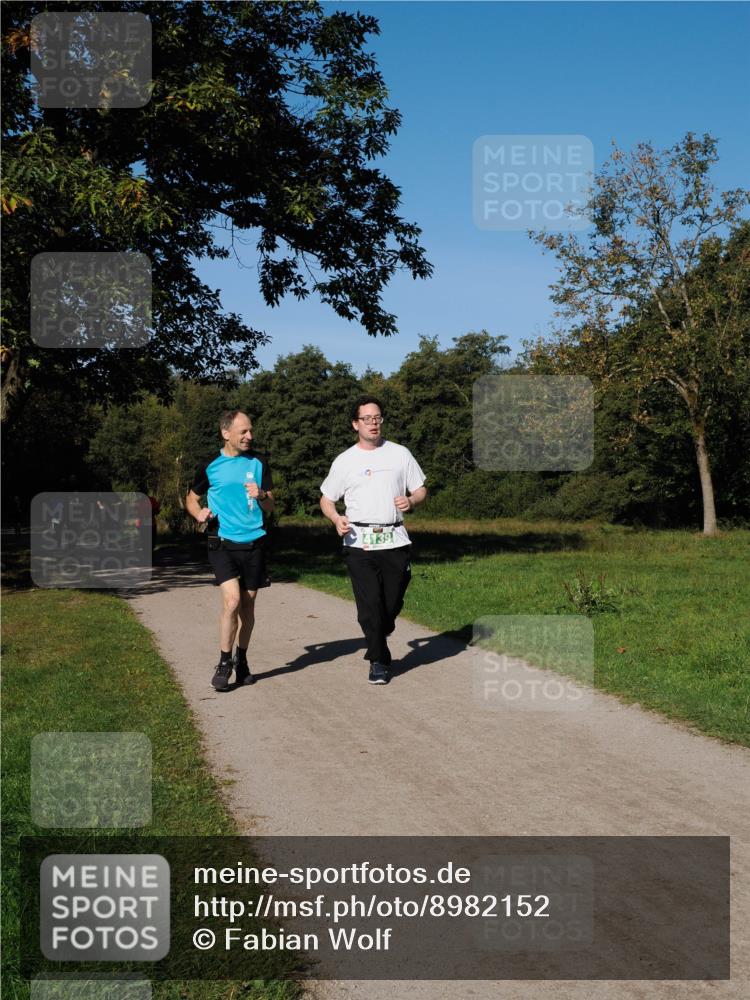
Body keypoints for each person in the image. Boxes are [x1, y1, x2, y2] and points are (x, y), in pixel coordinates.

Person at [320, 395, 427, 685]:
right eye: (366, 418)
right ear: (355, 424)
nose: (373, 423)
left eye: (377, 417)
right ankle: (378, 660)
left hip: (395, 538)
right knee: (369, 604)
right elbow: (326, 499)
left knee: (390, 603)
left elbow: (420, 489)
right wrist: (335, 518)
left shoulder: (400, 454)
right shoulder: (345, 460)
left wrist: (411, 500)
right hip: (359, 542)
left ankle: (382, 630)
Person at [186, 409, 275, 690]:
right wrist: (198, 513)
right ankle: (224, 663)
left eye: (250, 431)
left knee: (248, 607)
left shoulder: (259, 462)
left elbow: (271, 505)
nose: (249, 436)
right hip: (221, 541)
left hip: (255, 541)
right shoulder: (210, 465)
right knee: (232, 602)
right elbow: (191, 498)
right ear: (226, 433)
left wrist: (261, 495)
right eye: (243, 432)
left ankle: (243, 660)